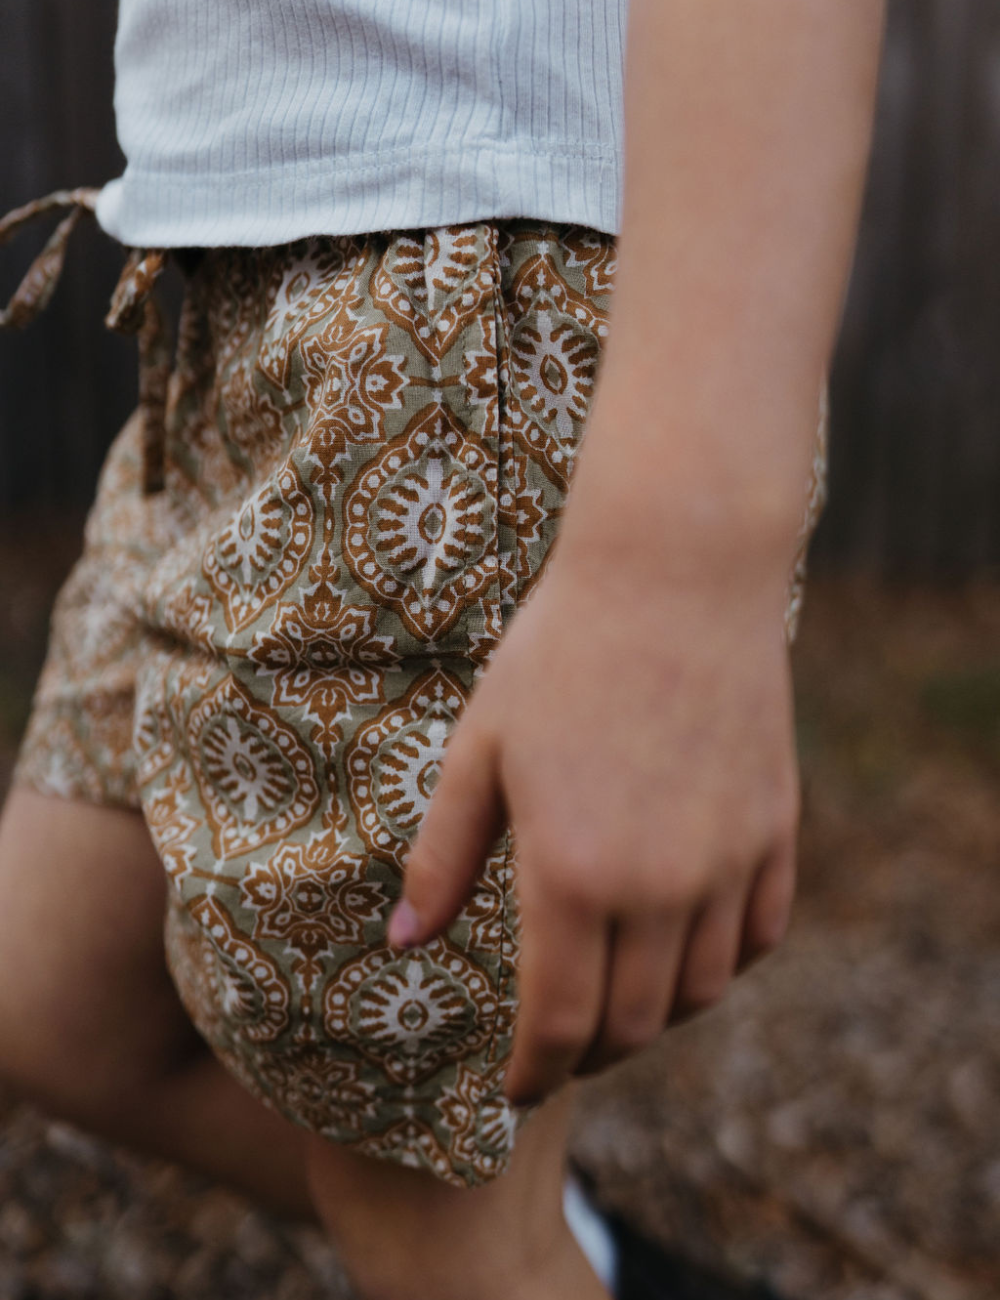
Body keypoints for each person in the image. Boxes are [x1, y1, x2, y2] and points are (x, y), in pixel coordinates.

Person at [0, 3, 887, 1297]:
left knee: (434, 1216)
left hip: (443, 320)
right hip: (239, 267)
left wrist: (682, 559)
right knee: (56, 989)